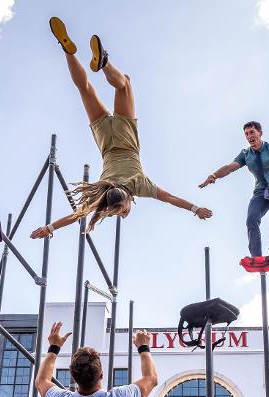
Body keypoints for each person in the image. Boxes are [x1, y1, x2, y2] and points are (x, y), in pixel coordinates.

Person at [31, 17, 212, 239]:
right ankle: (67, 50)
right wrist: (48, 228)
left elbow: (171, 198)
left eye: (123, 211)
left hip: (126, 138)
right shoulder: (102, 191)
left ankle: (104, 62)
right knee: (85, 90)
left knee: (124, 84)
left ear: (126, 201)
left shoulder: (141, 186)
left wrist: (196, 209)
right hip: (105, 140)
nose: (124, 215)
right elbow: (76, 215)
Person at [199, 121, 269, 265]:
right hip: (260, 192)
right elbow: (230, 167)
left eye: (252, 132)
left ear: (260, 133)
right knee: (251, 218)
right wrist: (214, 175)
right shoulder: (246, 154)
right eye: (246, 134)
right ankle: (256, 256)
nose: (249, 136)